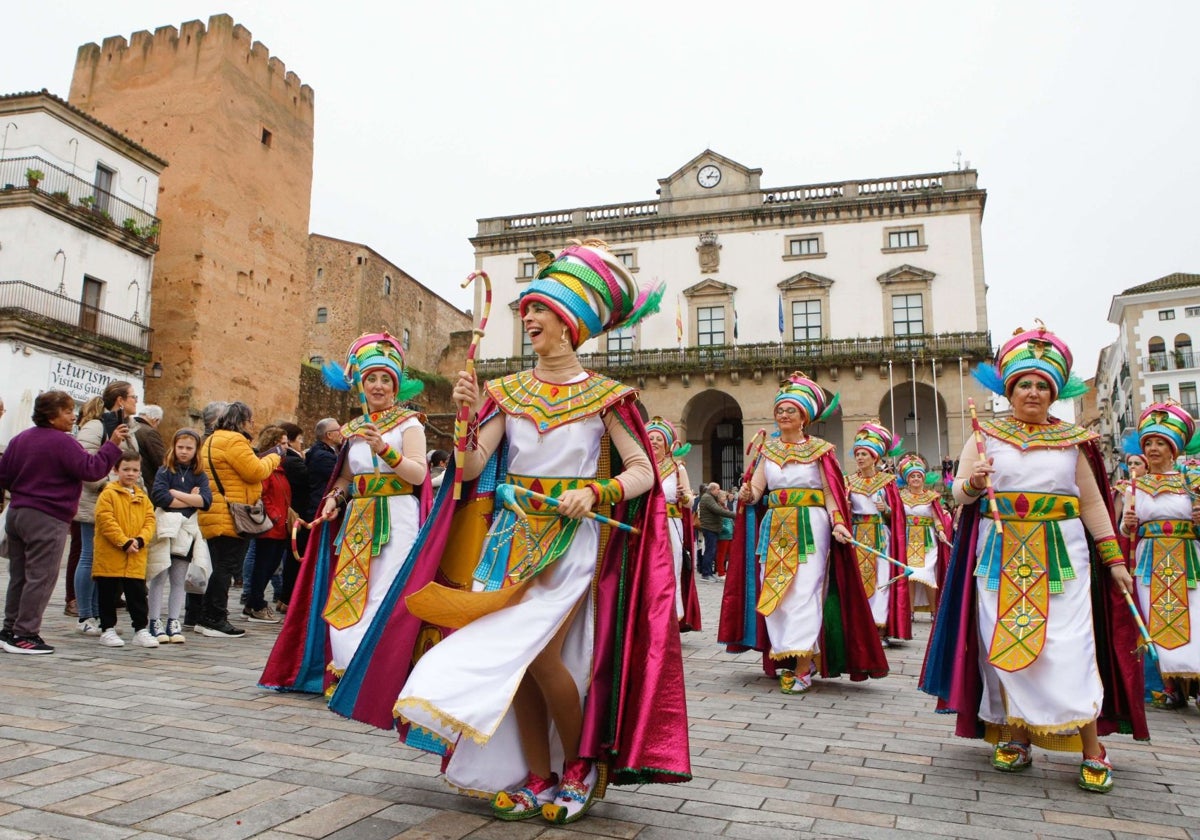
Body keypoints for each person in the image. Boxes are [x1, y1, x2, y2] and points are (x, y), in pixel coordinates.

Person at [329, 239, 689, 825]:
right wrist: (467, 422)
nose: (529, 318)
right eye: (527, 310)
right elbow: (471, 471)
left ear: (571, 323)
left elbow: (644, 472)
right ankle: (536, 774)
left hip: (573, 545)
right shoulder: (506, 391)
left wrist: (594, 491)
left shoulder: (610, 399)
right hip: (507, 542)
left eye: (541, 310)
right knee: (515, 660)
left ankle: (578, 767)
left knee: (542, 654)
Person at [922, 323, 1148, 794]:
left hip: (1062, 557)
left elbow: (1092, 505)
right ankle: (1017, 735)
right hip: (998, 555)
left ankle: (1091, 747)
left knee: (1070, 647)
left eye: (1042, 385)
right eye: (1024, 383)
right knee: (1005, 643)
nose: (1032, 391)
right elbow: (958, 496)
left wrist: (1115, 561)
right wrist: (976, 485)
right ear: (1010, 389)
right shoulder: (984, 436)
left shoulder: (1073, 441)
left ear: (1054, 391)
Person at [261, 332, 429, 694]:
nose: (379, 385)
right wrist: (336, 497)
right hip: (358, 520)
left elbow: (418, 474)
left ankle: (381, 673)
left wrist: (385, 449)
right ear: (361, 385)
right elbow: (347, 478)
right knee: (350, 595)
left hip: (398, 517)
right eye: (372, 379)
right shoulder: (351, 430)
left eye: (386, 379)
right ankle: (346, 671)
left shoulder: (410, 423)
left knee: (388, 592)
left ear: (397, 385)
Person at [720, 372, 887, 695]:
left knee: (805, 590)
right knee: (776, 591)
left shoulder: (821, 450)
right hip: (776, 525)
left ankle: (803, 664)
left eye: (790, 410)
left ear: (804, 418)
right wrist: (747, 496)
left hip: (812, 525)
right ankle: (788, 652)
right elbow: (757, 489)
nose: (783, 415)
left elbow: (830, 493)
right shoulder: (767, 450)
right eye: (780, 409)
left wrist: (838, 521)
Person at [0, 391, 127, 654]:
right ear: (51, 415)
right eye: (68, 411)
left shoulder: (19, 439)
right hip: (48, 516)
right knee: (41, 578)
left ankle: (9, 629)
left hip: (19, 511)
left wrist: (25, 491)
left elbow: (5, 476)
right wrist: (112, 444)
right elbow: (91, 470)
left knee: (19, 576)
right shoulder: (62, 442)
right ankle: (26, 634)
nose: (73, 417)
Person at [1119, 401, 1200, 710]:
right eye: (1148, 443)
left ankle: (1195, 683)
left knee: (1194, 618)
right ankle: (1169, 687)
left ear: (1173, 450)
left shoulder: (1191, 483)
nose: (1153, 449)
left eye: (1160, 443)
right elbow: (1127, 533)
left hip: (1188, 560)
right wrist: (1128, 527)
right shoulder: (1134, 486)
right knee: (1155, 621)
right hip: (1150, 560)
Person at [197, 402, 282, 638]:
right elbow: (255, 471)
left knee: (221, 565)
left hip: (215, 510)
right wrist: (274, 457)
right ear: (242, 421)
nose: (252, 425)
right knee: (226, 567)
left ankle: (206, 616)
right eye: (250, 420)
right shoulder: (234, 441)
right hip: (231, 513)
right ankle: (214, 618)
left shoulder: (212, 439)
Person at [75, 385, 141, 635]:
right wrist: (111, 486)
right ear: (121, 400)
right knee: (90, 556)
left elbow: (133, 464)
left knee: (106, 562)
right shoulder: (95, 426)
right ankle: (84, 616)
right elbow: (86, 466)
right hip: (96, 501)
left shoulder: (129, 429)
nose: (137, 401)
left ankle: (101, 615)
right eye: (134, 397)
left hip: (122, 505)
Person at [846, 420, 908, 644]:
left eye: (864, 454)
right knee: (857, 579)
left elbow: (897, 515)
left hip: (880, 535)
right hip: (856, 534)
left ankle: (878, 627)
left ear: (875, 457)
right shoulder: (849, 482)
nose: (860, 458)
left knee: (881, 579)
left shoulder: (888, 482)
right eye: (858, 454)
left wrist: (887, 510)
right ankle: (858, 627)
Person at [148, 428, 211, 644]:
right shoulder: (165, 470)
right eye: (180, 447)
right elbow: (160, 497)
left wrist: (177, 494)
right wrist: (189, 499)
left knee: (178, 579)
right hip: (165, 528)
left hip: (186, 531)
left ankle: (173, 620)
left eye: (189, 448)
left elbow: (205, 501)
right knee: (159, 575)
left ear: (196, 450)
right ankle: (154, 620)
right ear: (174, 447)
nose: (184, 452)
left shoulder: (199, 474)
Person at [93, 451, 158, 648]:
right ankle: (107, 629)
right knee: (108, 594)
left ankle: (140, 629)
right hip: (111, 555)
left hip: (136, 555)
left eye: (135, 470)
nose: (131, 474)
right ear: (116, 470)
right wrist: (124, 541)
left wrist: (139, 539)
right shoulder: (108, 494)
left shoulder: (142, 497)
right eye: (126, 469)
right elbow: (106, 521)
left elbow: (150, 521)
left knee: (137, 595)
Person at [646, 416, 700, 630]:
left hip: (670, 526)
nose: (655, 441)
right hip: (646, 527)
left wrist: (683, 497)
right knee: (647, 571)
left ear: (667, 443)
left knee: (670, 570)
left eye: (659, 438)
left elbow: (689, 501)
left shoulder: (677, 469)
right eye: (650, 437)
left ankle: (671, 617)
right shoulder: (640, 466)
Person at [183, 401, 228, 631]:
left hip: (205, 506)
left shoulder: (206, 442)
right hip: (201, 508)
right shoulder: (204, 444)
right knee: (201, 561)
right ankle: (195, 612)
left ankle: (194, 612)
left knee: (202, 560)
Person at [896, 453, 951, 618]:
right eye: (912, 476)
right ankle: (910, 611)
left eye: (918, 476)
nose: (915, 479)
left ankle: (934, 611)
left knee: (928, 574)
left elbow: (937, 517)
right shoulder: (900, 497)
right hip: (908, 540)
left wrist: (941, 530)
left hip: (928, 542)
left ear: (923, 478)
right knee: (910, 574)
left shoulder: (931, 497)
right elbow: (896, 517)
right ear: (907, 479)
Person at [275, 422, 311, 613]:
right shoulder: (293, 461)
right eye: (299, 440)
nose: (300, 444)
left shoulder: (293, 459)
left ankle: (283, 597)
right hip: (296, 513)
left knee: (288, 558)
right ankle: (286, 598)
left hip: (291, 512)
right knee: (292, 559)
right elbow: (308, 480)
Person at [697, 482, 734, 581]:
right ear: (712, 489)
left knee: (711, 551)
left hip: (712, 528)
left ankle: (708, 572)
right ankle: (706, 574)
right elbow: (718, 510)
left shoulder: (709, 497)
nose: (719, 491)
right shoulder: (708, 498)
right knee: (710, 551)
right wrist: (734, 515)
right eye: (718, 489)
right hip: (710, 528)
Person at [131, 405, 167, 478]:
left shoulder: (128, 427)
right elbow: (161, 461)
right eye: (158, 423)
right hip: (146, 480)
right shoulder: (150, 432)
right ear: (155, 420)